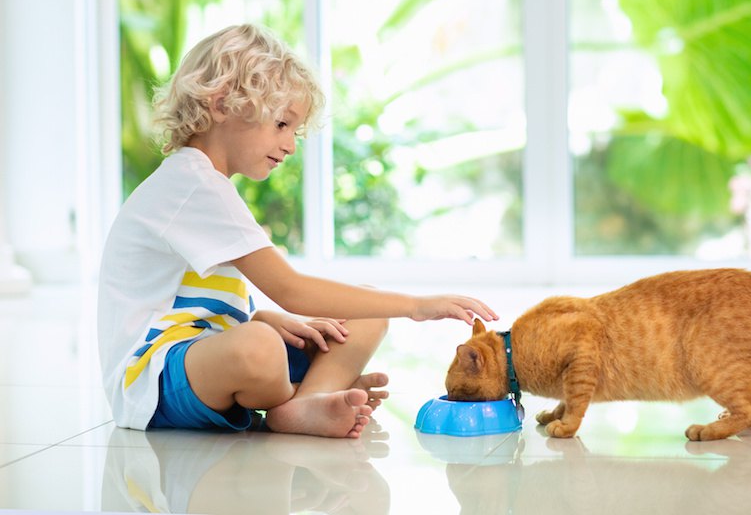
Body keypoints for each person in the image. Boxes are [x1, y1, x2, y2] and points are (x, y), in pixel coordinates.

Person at [97, 23, 498, 439]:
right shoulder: (190, 184)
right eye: (282, 125)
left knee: (367, 314)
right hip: (154, 381)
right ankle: (297, 398)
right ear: (220, 104)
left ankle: (304, 404)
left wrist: (263, 317)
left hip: (204, 363)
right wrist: (416, 304)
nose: (290, 145)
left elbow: (194, 298)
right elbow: (290, 287)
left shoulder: (208, 185)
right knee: (260, 347)